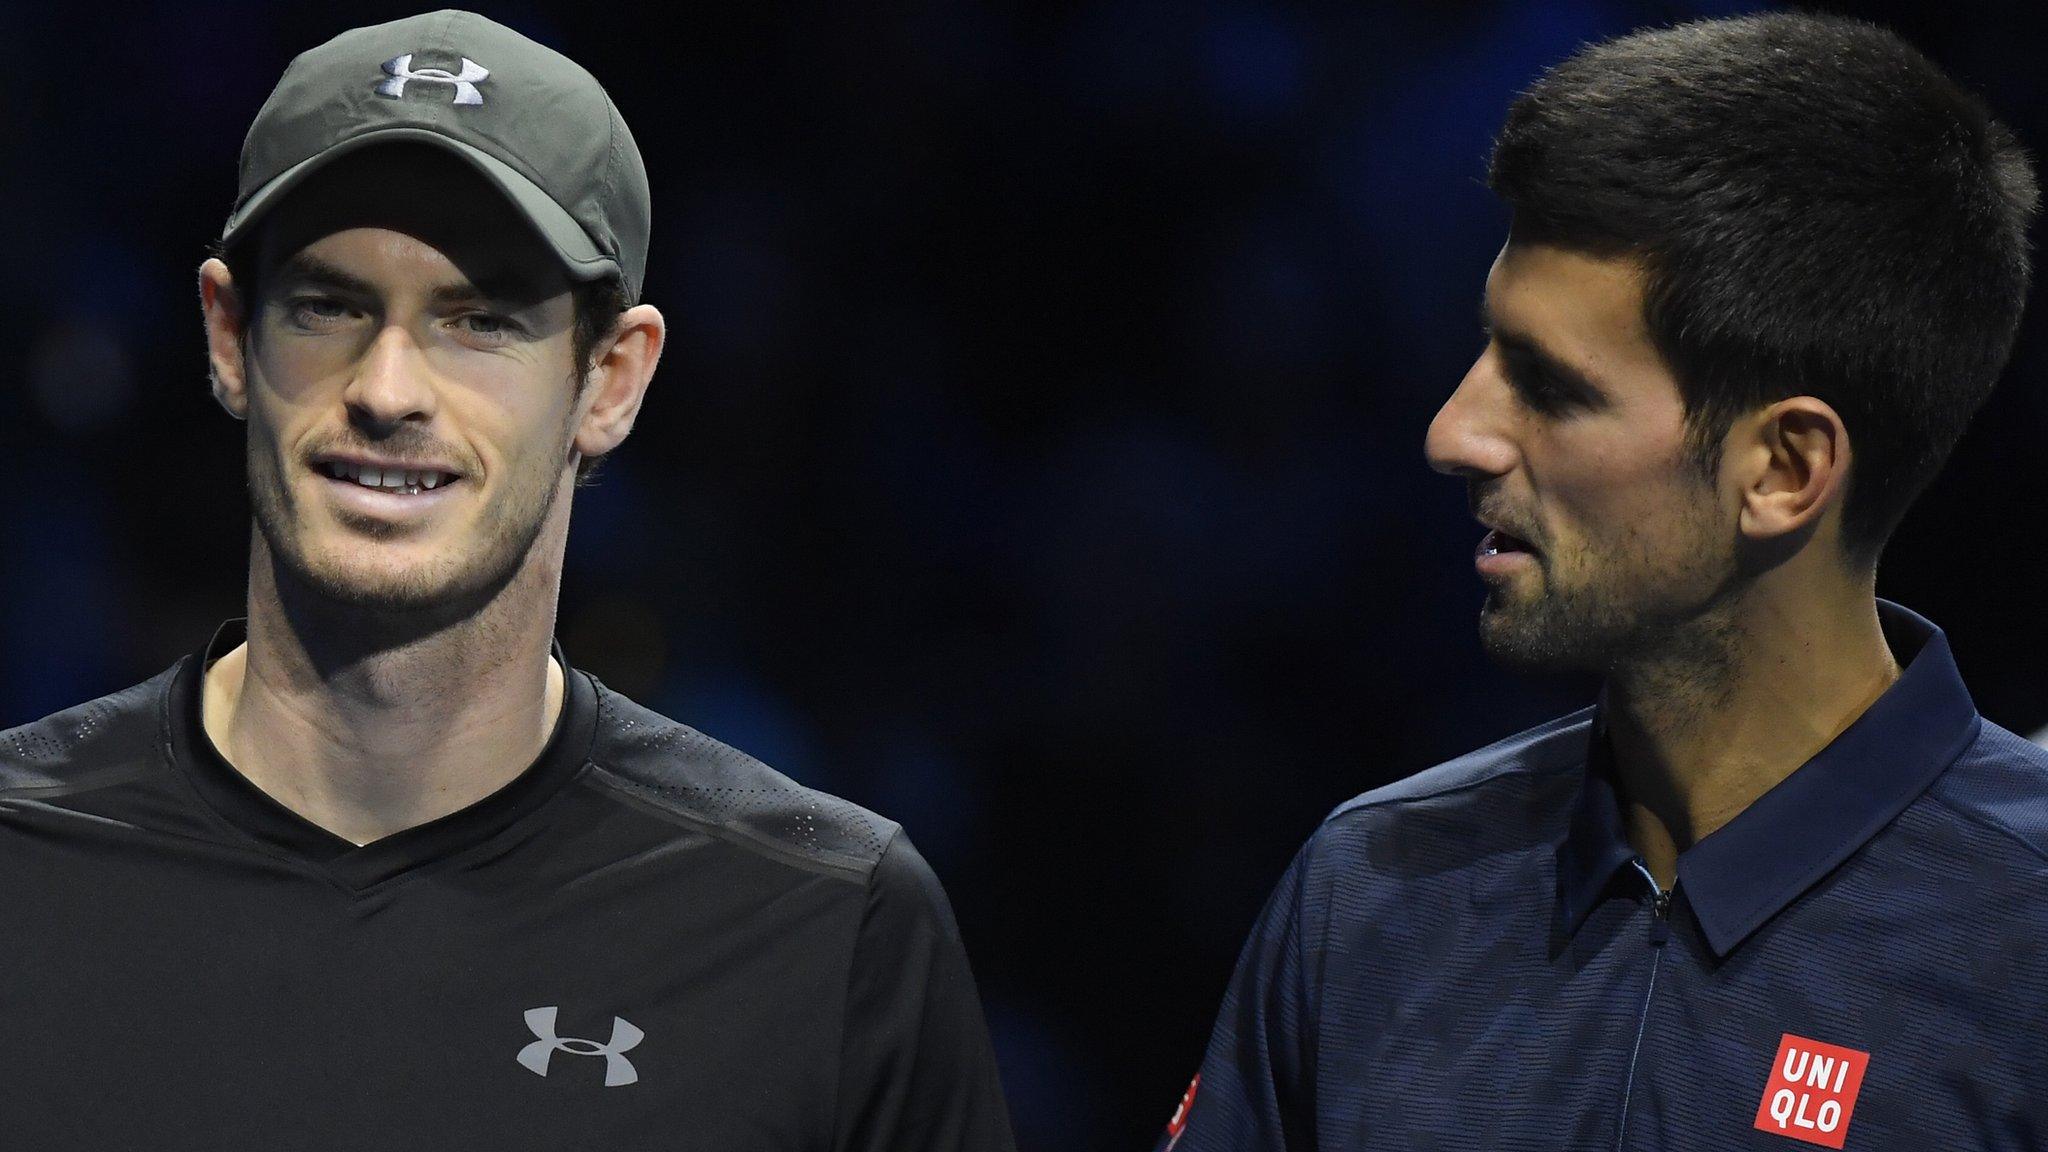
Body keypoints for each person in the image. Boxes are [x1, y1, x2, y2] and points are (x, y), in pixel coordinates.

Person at [0, 11, 1013, 1150]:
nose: (386, 388)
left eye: (480, 320)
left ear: (610, 382)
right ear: (230, 337)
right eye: (329, 305)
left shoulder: (822, 929)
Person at [1162, 13, 2043, 1150]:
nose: (1452, 433)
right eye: (1482, 354)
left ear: (1782, 469)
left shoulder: (2018, 936)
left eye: (1551, 387)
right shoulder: (1367, 888)